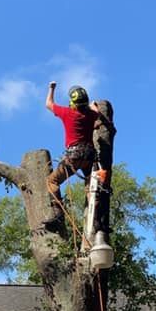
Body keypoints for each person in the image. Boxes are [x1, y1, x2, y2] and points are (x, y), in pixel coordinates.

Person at [45, 82, 100, 214]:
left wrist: (51, 89)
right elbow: (97, 112)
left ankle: (58, 211)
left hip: (74, 156)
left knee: (51, 181)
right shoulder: (91, 115)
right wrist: (94, 106)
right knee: (90, 184)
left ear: (73, 103)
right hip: (90, 157)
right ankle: (96, 213)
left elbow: (49, 104)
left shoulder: (67, 113)